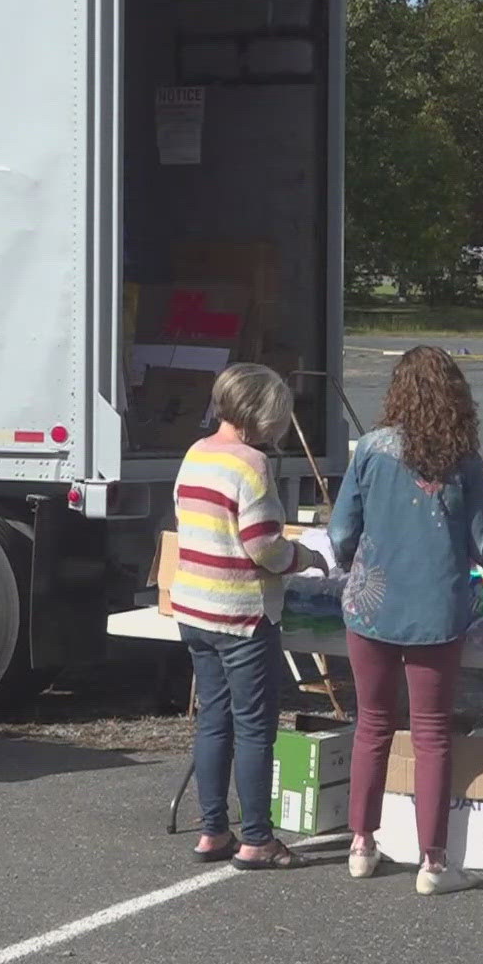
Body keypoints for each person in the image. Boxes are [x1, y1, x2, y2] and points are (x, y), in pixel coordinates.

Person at [329, 346, 483, 895]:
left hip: (371, 605)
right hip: (436, 609)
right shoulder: (464, 459)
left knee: (372, 725)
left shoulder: (371, 450)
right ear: (455, 397)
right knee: (431, 734)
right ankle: (434, 862)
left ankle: (361, 843)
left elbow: (340, 534)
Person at [173, 363, 324, 871]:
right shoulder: (251, 464)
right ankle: (258, 837)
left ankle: (213, 829)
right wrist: (303, 558)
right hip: (240, 613)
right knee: (256, 727)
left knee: (214, 721)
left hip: (193, 607)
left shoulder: (195, 454)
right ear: (262, 415)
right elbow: (263, 546)